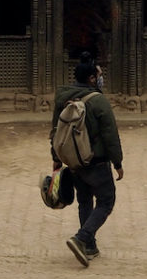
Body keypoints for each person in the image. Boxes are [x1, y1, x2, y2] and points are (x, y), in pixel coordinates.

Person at [50, 52, 124, 267]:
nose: (101, 78)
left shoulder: (62, 98)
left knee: (84, 200)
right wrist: (117, 162)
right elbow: (110, 134)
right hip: (96, 160)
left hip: (73, 161)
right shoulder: (99, 101)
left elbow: (56, 131)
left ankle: (89, 246)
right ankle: (82, 238)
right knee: (106, 201)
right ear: (92, 78)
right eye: (99, 75)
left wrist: (56, 159)